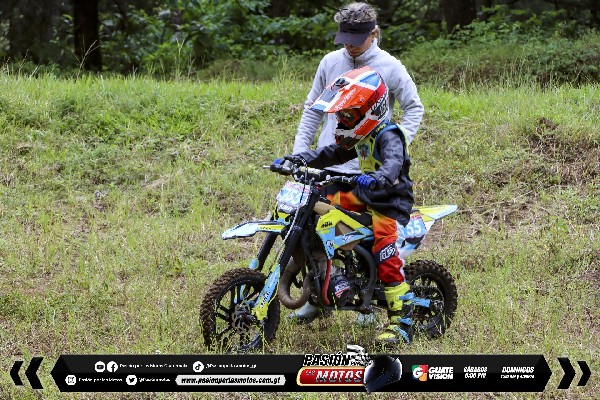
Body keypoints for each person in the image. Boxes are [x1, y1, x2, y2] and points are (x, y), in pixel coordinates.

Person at [289, 1, 424, 325]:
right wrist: (299, 153)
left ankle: (367, 303)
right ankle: (320, 295)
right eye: (344, 38)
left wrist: (391, 148)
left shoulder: (390, 66)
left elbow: (414, 108)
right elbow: (312, 110)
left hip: (368, 174)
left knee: (363, 240)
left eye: (357, 38)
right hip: (334, 159)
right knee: (314, 228)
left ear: (373, 33)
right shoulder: (330, 62)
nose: (349, 45)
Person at [276, 66, 415, 344]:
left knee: (385, 254)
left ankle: (401, 322)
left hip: (388, 203)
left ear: (372, 110)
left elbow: (393, 163)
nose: (342, 120)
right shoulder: (361, 135)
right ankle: (322, 277)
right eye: (340, 115)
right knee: (318, 206)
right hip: (365, 195)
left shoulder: (389, 135)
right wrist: (300, 159)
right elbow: (333, 154)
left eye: (347, 115)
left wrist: (379, 177)